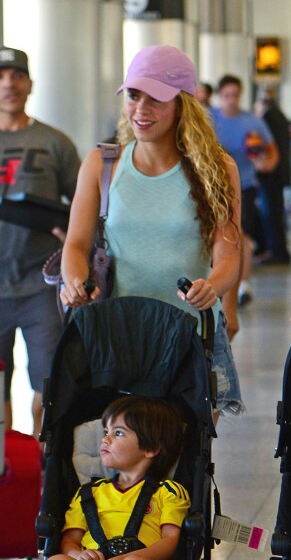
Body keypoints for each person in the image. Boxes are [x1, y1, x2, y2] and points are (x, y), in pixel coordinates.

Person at [59, 45, 244, 422]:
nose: (141, 110)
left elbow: (228, 257)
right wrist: (75, 282)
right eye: (133, 95)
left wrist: (214, 287)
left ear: (182, 105)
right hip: (118, 335)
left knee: (186, 458)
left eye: (156, 99)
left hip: (189, 338)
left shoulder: (218, 169)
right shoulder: (102, 164)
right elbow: (75, 244)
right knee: (125, 458)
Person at [0, 46, 81, 439]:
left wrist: (73, 239)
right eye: (1, 76)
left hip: (40, 287)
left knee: (46, 389)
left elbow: (85, 207)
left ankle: (41, 474)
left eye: (16, 75)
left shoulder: (54, 143)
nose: (8, 84)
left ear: (29, 84)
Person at [52, 395, 190, 559]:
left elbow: (171, 540)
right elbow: (69, 540)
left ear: (151, 448)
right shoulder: (89, 492)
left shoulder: (167, 491)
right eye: (105, 431)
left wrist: (136, 557)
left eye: (118, 433)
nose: (105, 439)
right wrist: (79, 555)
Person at [210, 74, 279, 306]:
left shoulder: (252, 122)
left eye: (235, 95)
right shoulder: (208, 119)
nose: (231, 100)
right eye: (227, 95)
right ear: (220, 96)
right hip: (213, 188)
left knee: (242, 237)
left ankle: (243, 285)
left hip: (244, 187)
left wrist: (264, 164)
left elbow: (271, 153)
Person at [253, 89, 291, 265]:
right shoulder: (280, 115)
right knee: (275, 213)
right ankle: (277, 250)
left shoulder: (268, 118)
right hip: (281, 172)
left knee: (272, 214)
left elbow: (267, 146)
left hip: (271, 173)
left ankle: (277, 252)